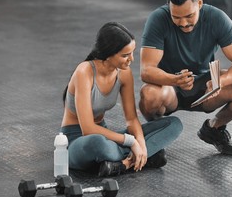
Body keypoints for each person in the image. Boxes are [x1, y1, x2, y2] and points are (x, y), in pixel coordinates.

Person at [139, 0, 232, 155]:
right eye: (177, 17)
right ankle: (156, 140)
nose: (183, 23)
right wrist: (175, 79)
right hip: (170, 87)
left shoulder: (216, 18)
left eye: (189, 16)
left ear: (199, 3)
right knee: (149, 95)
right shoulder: (158, 19)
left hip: (206, 87)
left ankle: (214, 129)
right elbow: (146, 71)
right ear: (169, 7)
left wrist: (221, 80)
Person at [60, 22, 183, 177]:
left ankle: (122, 164)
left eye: (132, 53)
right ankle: (144, 157)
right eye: (125, 55)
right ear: (108, 54)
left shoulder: (124, 73)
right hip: (77, 140)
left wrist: (142, 145)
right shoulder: (84, 72)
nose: (131, 59)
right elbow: (88, 129)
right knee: (98, 143)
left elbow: (131, 119)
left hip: (106, 135)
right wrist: (132, 142)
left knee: (174, 124)